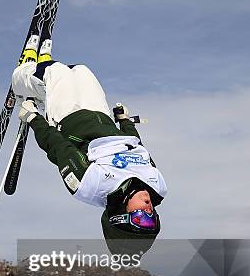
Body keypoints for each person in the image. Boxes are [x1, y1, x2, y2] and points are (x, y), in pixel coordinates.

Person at [12, 36, 167, 257]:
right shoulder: (157, 184)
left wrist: (34, 118)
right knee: (81, 70)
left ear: (119, 216)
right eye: (153, 220)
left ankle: (23, 72)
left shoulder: (91, 186)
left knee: (55, 73)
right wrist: (123, 121)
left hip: (69, 118)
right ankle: (43, 68)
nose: (149, 211)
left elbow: (59, 148)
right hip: (100, 115)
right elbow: (137, 148)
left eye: (141, 218)